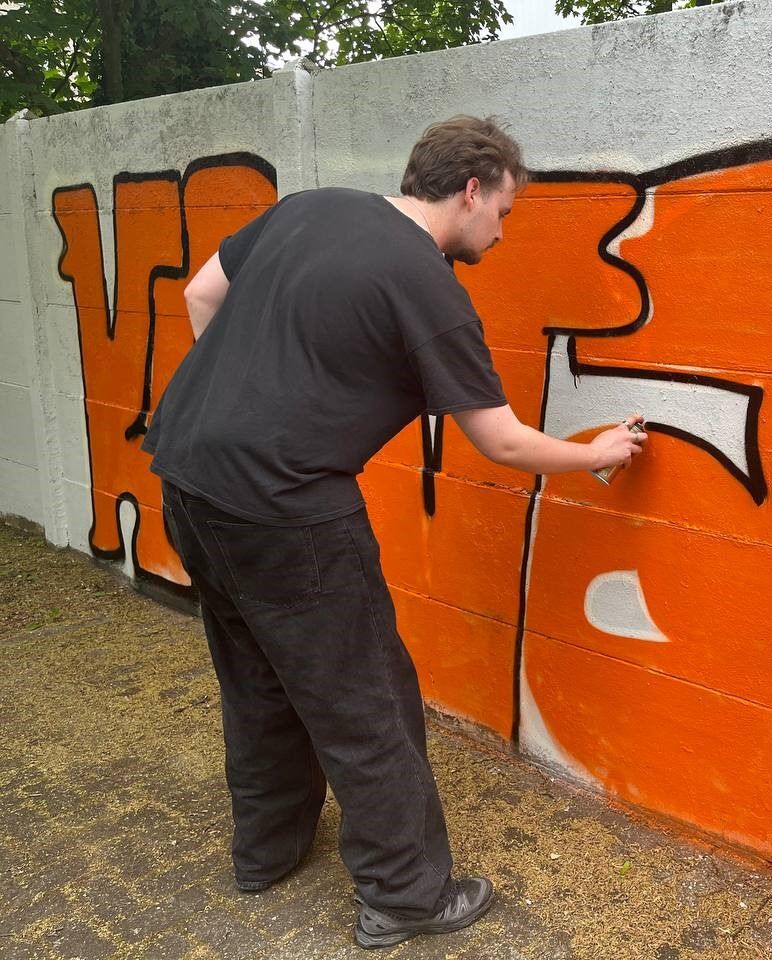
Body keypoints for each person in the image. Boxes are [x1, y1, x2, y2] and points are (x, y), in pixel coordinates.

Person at [142, 116, 646, 949]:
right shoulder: (427, 285)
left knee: (259, 680)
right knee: (365, 702)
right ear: (472, 189)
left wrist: (249, 409)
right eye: (505, 214)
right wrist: (597, 452)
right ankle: (406, 897)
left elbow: (201, 293)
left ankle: (265, 854)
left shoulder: (310, 207)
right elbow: (503, 441)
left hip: (190, 480)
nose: (502, 231)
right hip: (286, 511)